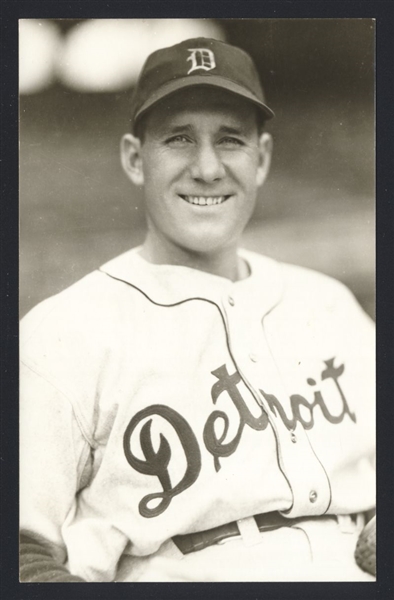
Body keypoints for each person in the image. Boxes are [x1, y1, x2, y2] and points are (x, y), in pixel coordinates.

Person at [19, 37, 375, 582]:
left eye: (230, 140)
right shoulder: (65, 333)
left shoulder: (329, 306)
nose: (207, 168)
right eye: (179, 139)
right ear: (135, 159)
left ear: (263, 159)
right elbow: (20, 554)